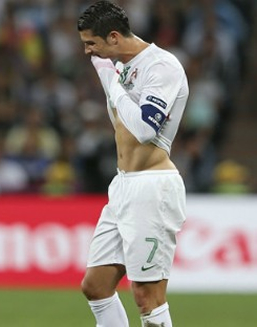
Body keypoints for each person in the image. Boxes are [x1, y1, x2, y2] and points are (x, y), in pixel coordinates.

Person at [77, 1, 188, 326]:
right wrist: (111, 77)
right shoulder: (120, 66)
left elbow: (143, 130)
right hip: (123, 184)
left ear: (113, 37)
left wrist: (110, 81)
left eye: (91, 43)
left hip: (153, 188)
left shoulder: (161, 66)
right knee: (95, 286)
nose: (87, 52)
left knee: (147, 297)